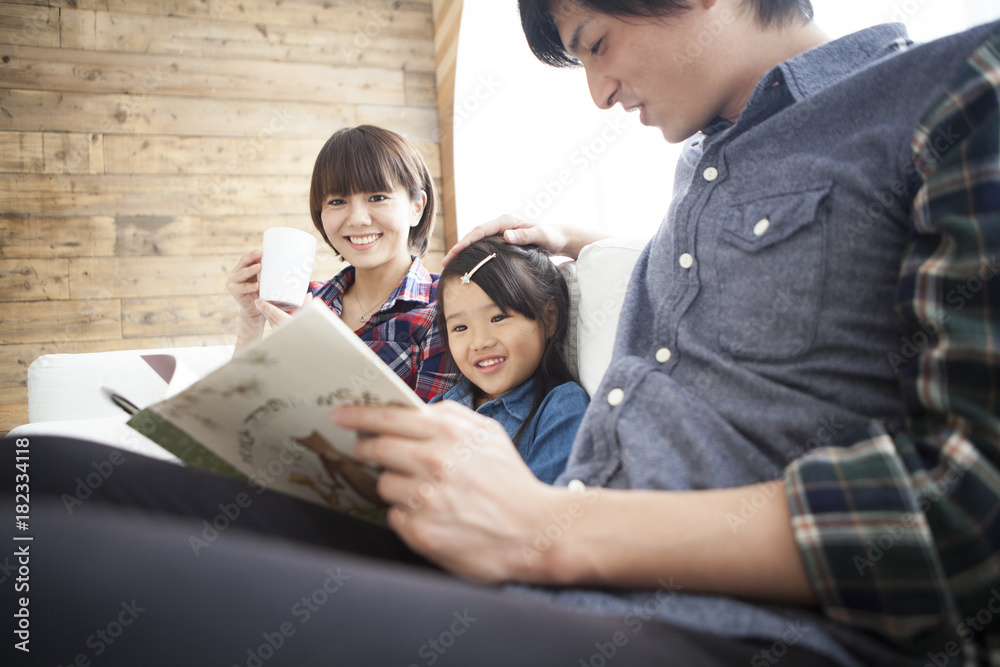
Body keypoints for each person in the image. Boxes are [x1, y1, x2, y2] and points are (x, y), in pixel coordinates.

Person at [4, 3, 998, 666]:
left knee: (44, 568)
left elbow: (971, 515)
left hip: (717, 624)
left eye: (597, 41)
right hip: (548, 558)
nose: (598, 93)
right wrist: (587, 241)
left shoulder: (959, 88)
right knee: (30, 475)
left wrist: (544, 525)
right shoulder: (701, 166)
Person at [227, 124, 458, 402]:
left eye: (377, 197)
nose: (357, 218)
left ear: (416, 207)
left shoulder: (447, 306)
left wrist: (322, 356)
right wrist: (252, 319)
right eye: (337, 201)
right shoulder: (307, 300)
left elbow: (430, 436)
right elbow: (239, 406)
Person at [432, 236, 589, 483]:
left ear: (548, 318)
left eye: (498, 318)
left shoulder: (562, 406)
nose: (479, 342)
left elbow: (544, 509)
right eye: (460, 328)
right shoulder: (441, 407)